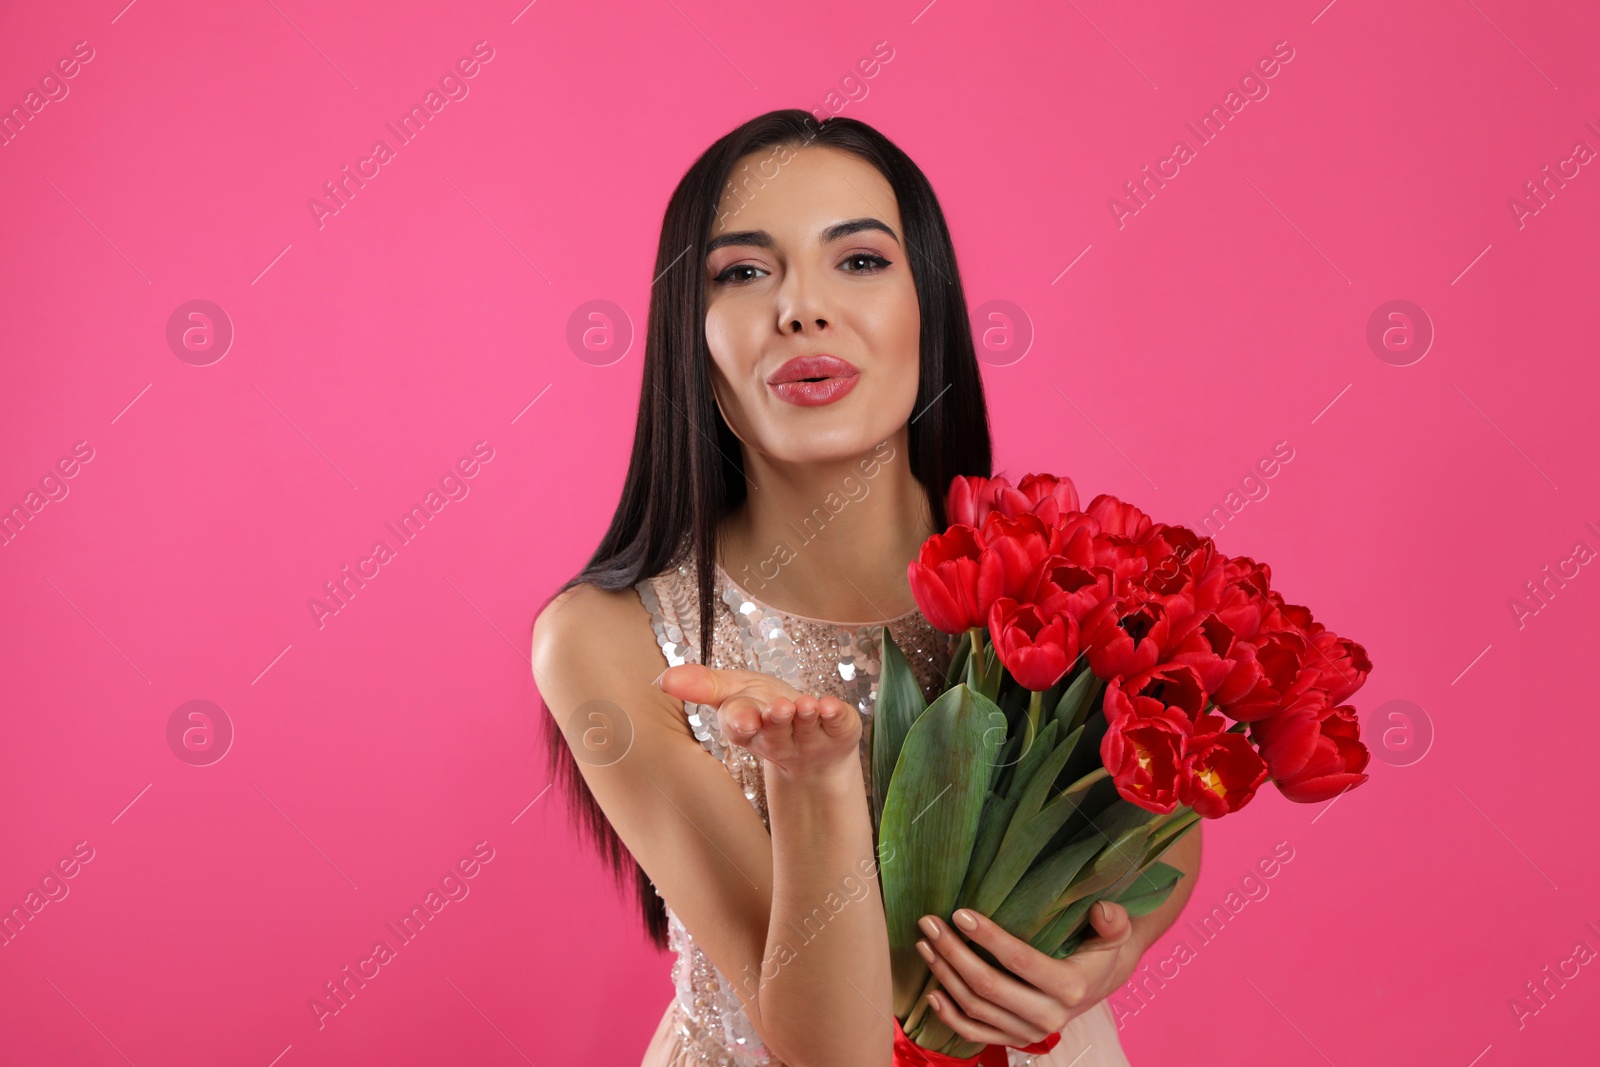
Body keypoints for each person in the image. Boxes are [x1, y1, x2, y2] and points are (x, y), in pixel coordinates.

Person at [531, 109, 1201, 1067]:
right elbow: (834, 1052)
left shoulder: (1052, 568)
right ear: (691, 337)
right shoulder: (607, 637)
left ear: (929, 306)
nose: (801, 309)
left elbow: (1156, 815)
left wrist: (1105, 951)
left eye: (858, 261)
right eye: (744, 272)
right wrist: (810, 786)